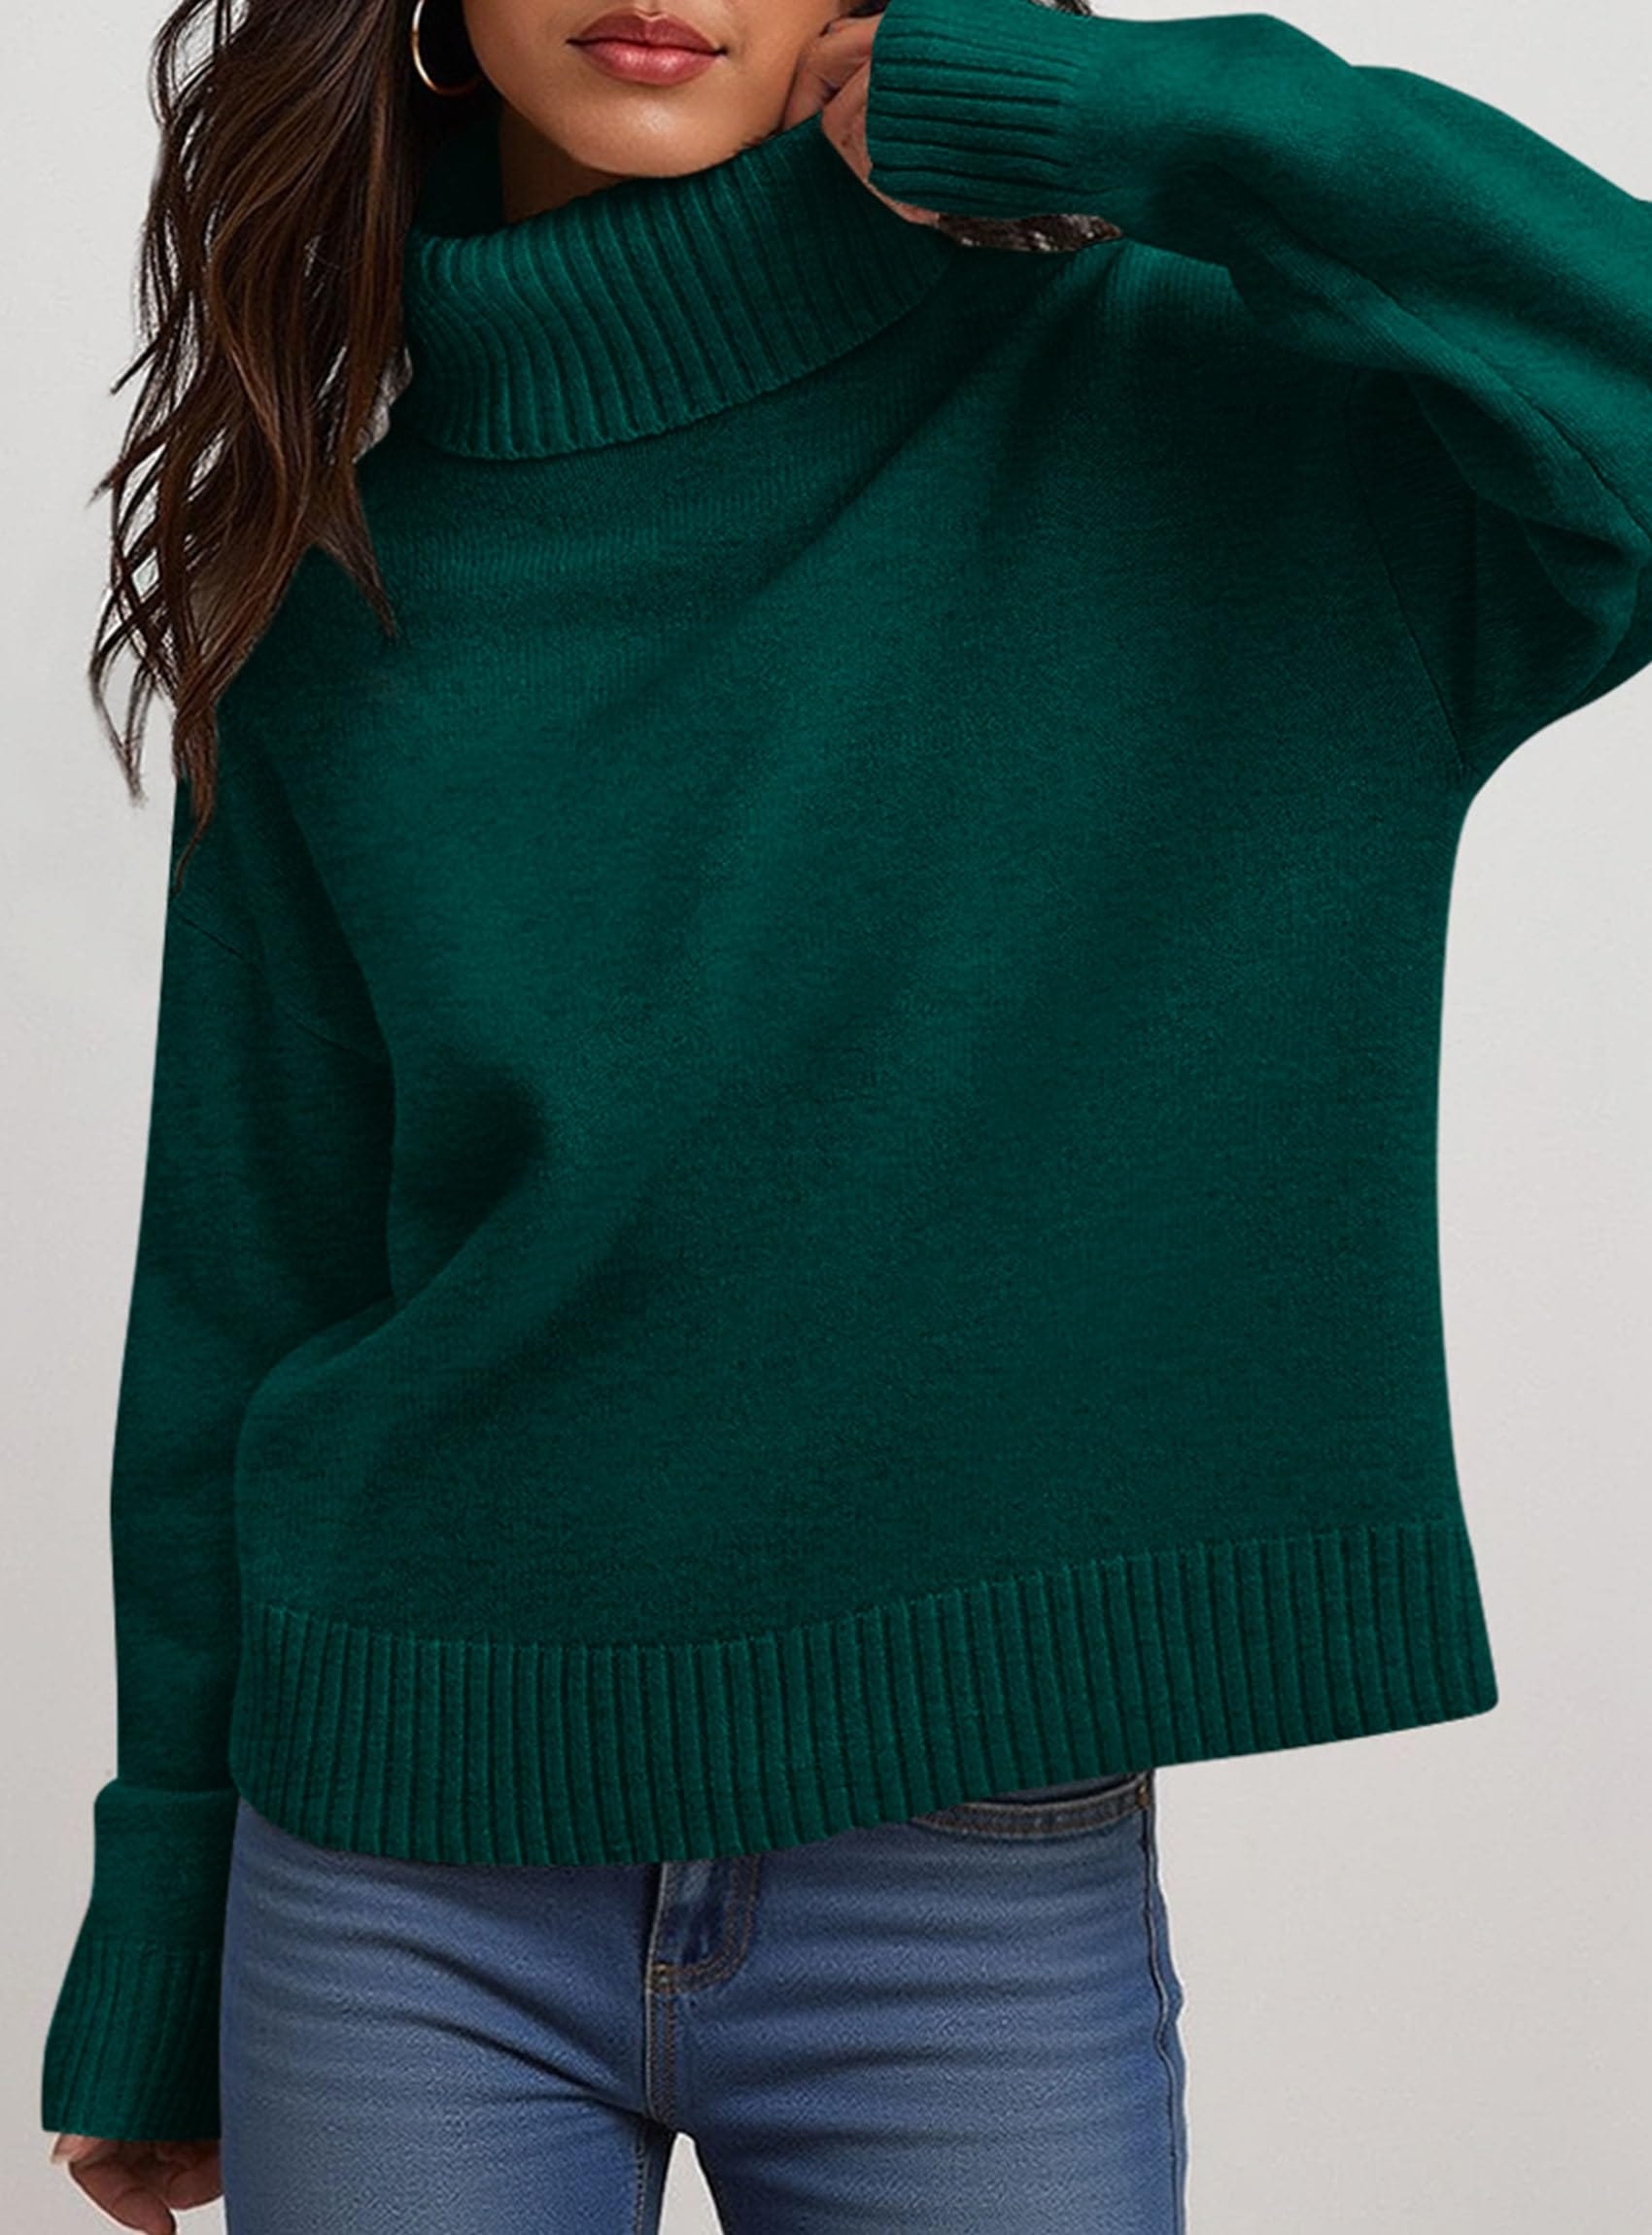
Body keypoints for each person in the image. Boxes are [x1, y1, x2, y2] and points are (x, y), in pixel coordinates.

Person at [39, 0, 1651, 2228]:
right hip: (393, 1881)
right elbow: (250, 1280)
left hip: (961, 1883)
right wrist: (163, 1933)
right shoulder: (333, 591)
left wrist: (1090, 105)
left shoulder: (1200, 418)